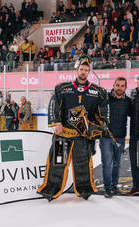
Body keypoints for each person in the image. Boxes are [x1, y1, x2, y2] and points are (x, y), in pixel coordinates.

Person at [37, 55, 109, 201]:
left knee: (82, 164)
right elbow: (54, 105)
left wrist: (96, 128)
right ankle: (51, 190)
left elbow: (102, 113)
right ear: (77, 69)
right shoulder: (62, 88)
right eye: (81, 69)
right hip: (63, 134)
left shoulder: (98, 92)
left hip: (83, 136)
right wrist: (56, 123)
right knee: (57, 163)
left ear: (89, 71)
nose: (83, 72)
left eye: (86, 70)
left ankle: (84, 191)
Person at [100, 77, 130, 198]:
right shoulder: (105, 99)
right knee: (107, 163)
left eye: (122, 86)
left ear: (125, 88)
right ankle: (107, 188)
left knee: (117, 164)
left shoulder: (128, 101)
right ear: (113, 85)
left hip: (121, 137)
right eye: (117, 85)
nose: (119, 88)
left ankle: (114, 186)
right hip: (106, 137)